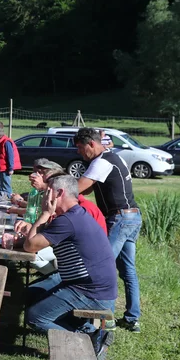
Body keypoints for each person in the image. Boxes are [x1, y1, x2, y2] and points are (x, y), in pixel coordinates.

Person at [20, 175, 117, 360]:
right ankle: (89, 331)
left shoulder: (67, 221)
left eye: (48, 192)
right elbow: (39, 239)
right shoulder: (75, 216)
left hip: (90, 291)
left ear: (60, 193)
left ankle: (88, 340)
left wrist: (45, 213)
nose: (44, 196)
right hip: (91, 285)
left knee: (35, 317)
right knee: (31, 294)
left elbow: (30, 246)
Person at [75, 127, 142, 332]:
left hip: (120, 218)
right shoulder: (114, 157)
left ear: (91, 144)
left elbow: (78, 188)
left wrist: (57, 187)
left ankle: (105, 320)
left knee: (102, 267)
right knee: (128, 271)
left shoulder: (101, 162)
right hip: (133, 216)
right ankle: (132, 318)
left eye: (80, 148)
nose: (79, 152)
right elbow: (88, 188)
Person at [0, 127, 21, 198]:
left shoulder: (6, 142)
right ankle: (4, 199)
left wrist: (10, 168)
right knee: (3, 186)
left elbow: (10, 156)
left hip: (5, 168)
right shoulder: (0, 142)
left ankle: (10, 198)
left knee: (6, 186)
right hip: (1, 167)